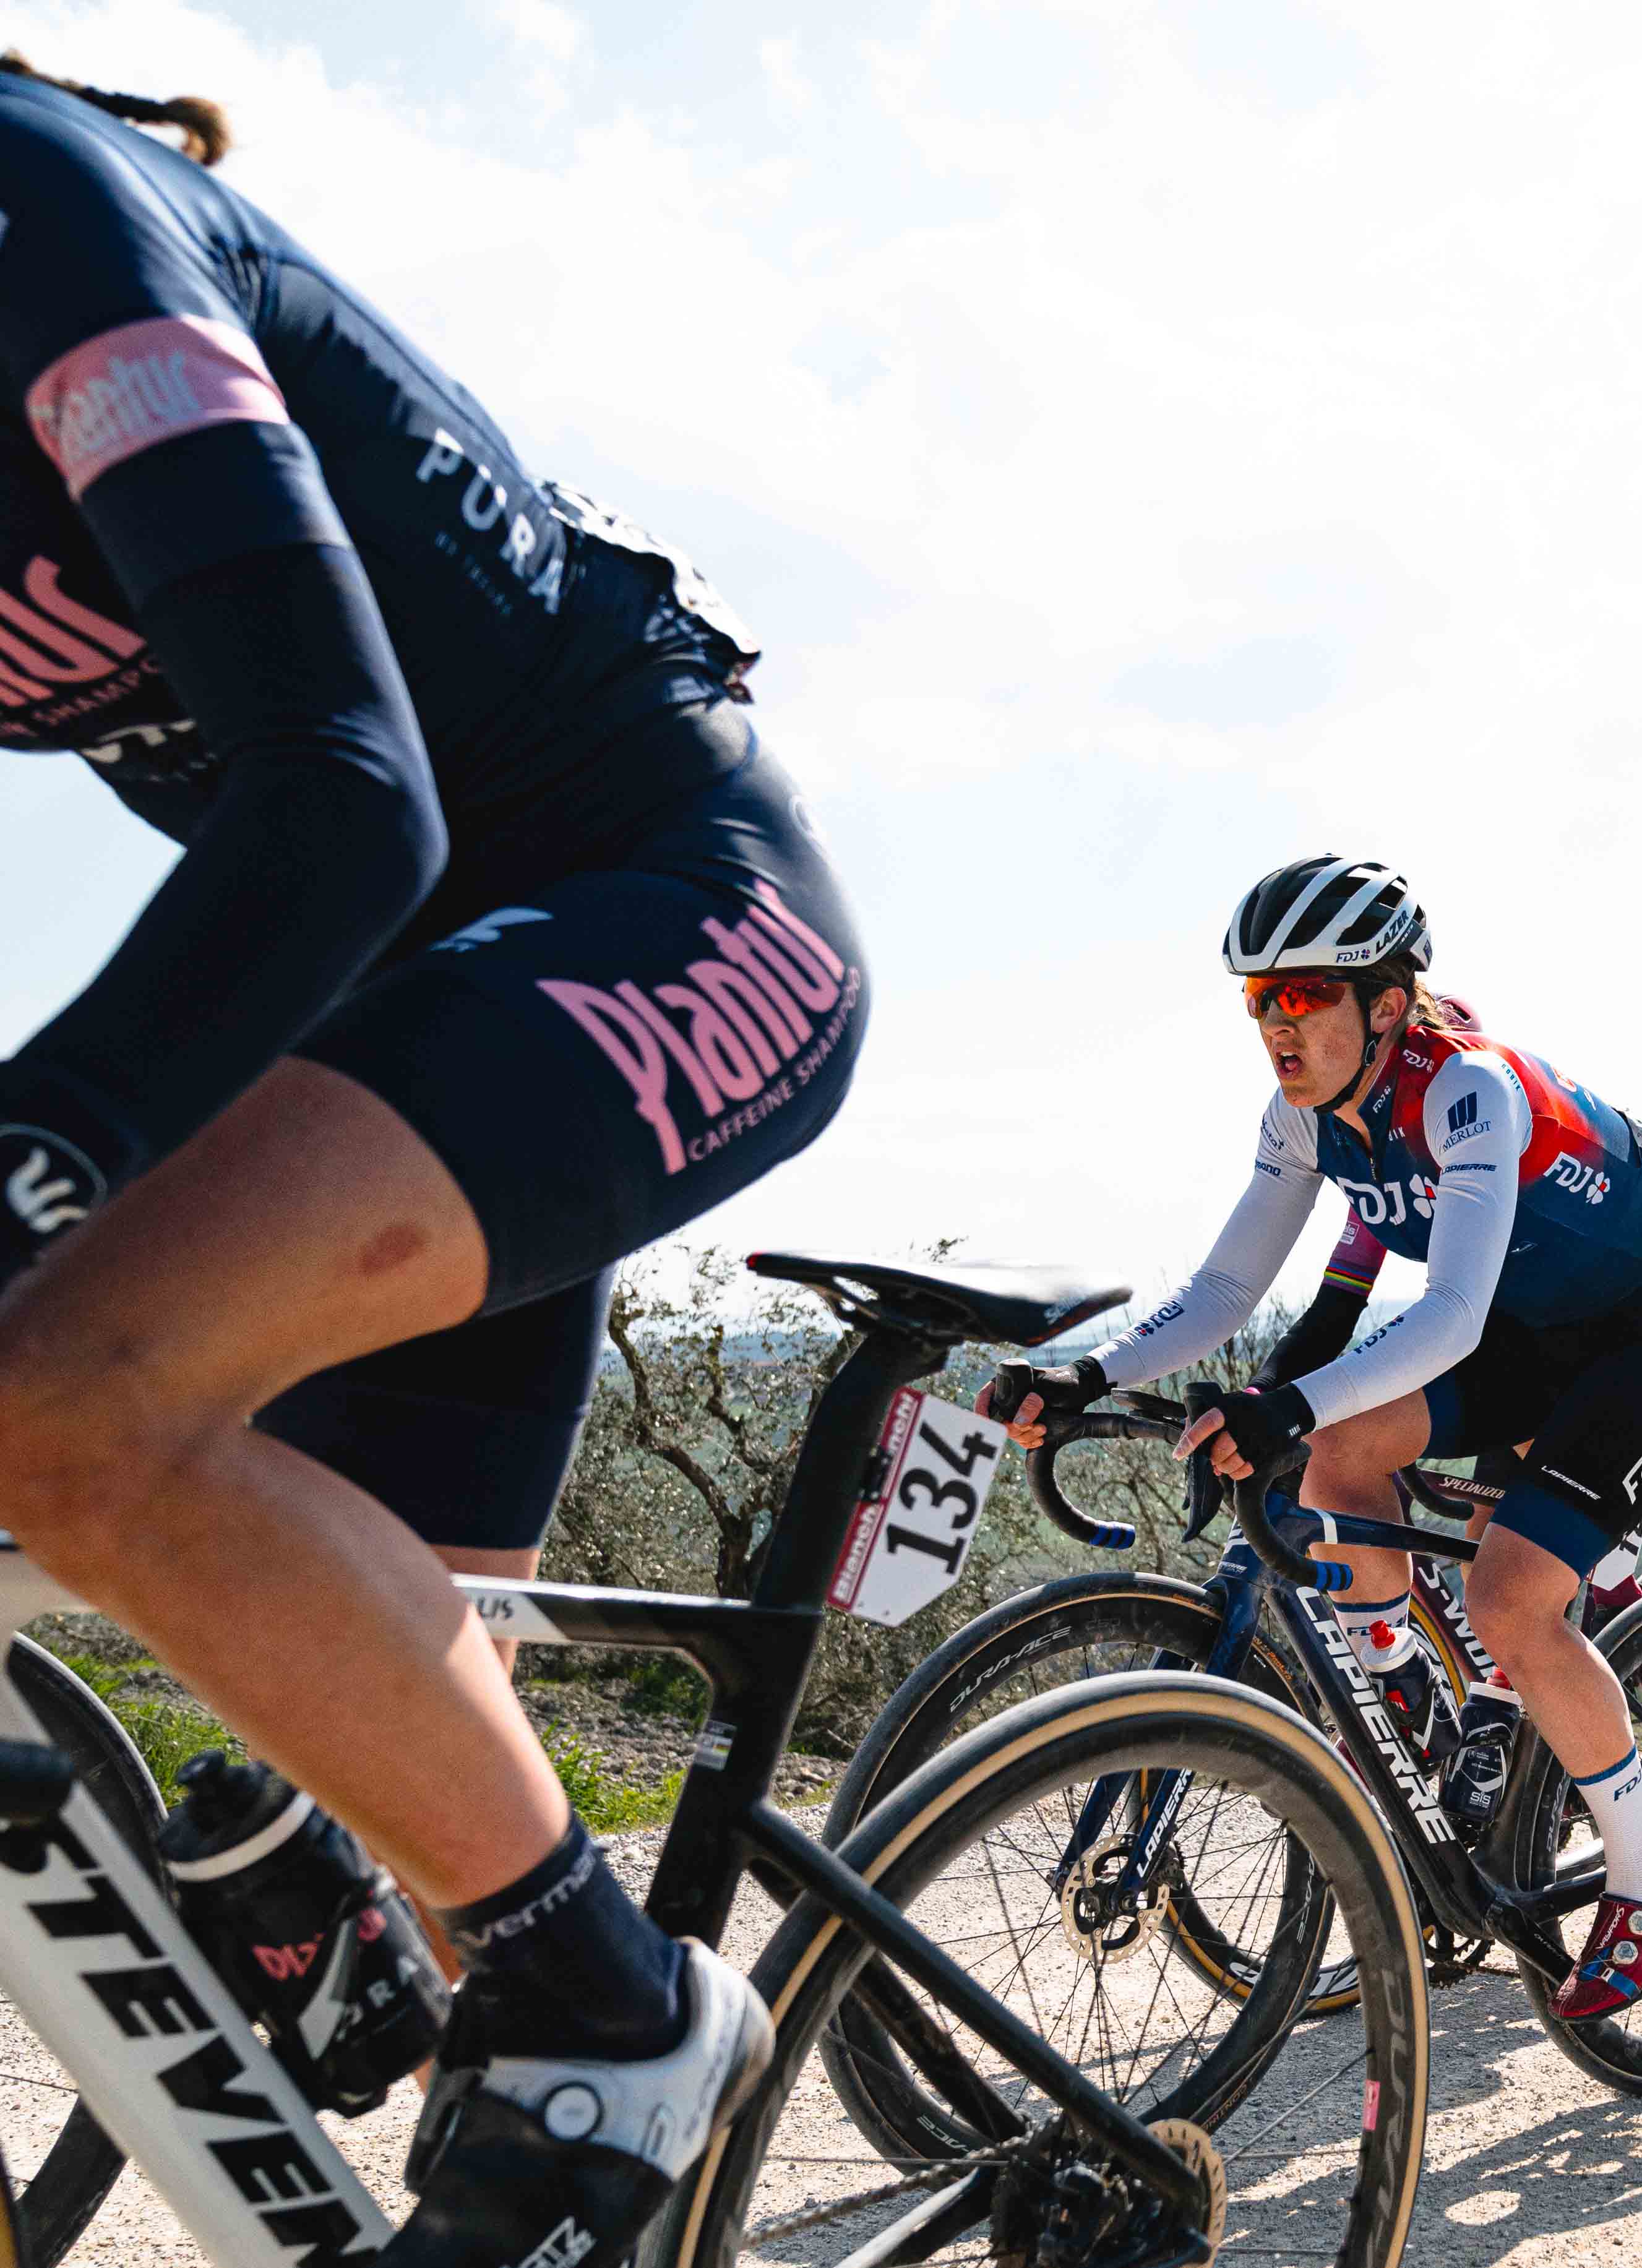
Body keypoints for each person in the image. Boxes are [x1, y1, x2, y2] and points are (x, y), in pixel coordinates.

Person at [0, 56, 864, 2263]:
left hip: (659, 900)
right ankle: (341, 1895)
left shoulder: (42, 214)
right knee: (285, 1707)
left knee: (61, 1407)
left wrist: (40, 1157)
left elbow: (335, 786)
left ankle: (608, 2003)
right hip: (381, 999)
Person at [987, 857, 1642, 2018]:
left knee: (1507, 1600)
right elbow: (1226, 1289)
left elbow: (1446, 1316)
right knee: (1337, 1459)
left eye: (1302, 996)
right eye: (1256, 1000)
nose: (1274, 1023)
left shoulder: (1466, 1090)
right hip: (1530, 1335)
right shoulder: (1303, 1117)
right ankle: (1409, 1700)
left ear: (1384, 1004)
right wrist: (1088, 1372)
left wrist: (1283, 1402)